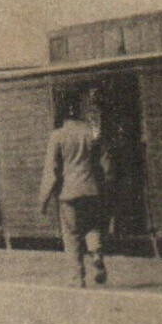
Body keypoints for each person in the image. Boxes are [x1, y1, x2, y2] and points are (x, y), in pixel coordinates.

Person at [40, 93, 112, 288]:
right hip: (91, 189)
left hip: (68, 193)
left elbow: (51, 171)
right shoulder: (92, 133)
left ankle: (78, 278)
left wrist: (43, 200)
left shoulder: (57, 136)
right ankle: (96, 252)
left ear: (62, 115)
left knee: (72, 236)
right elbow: (105, 162)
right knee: (92, 225)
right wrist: (105, 181)